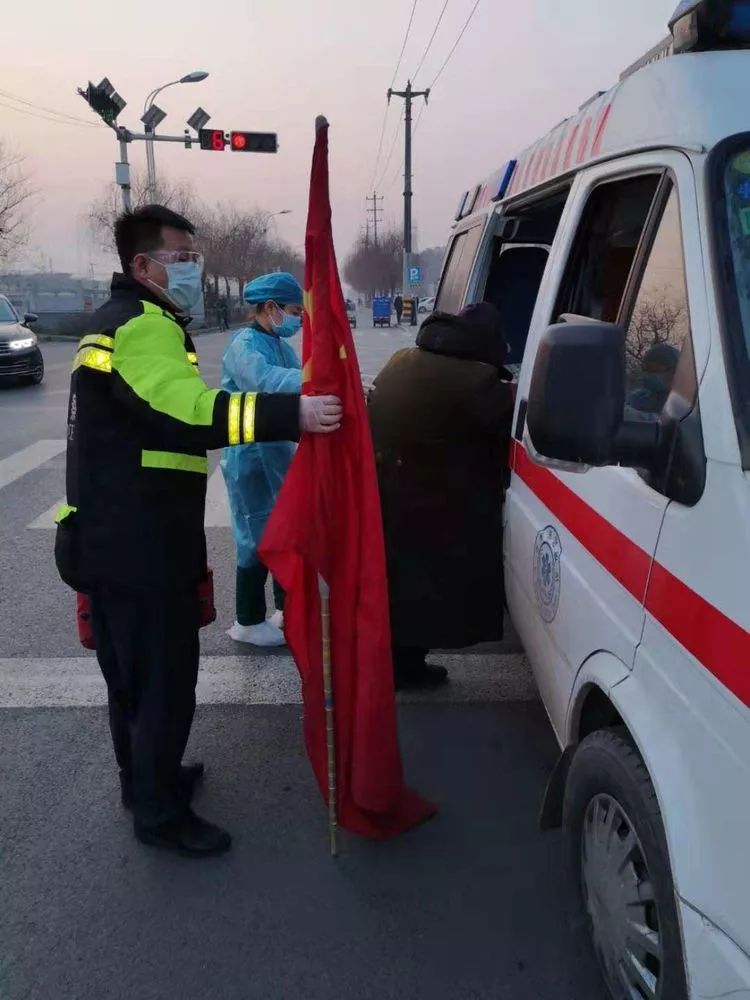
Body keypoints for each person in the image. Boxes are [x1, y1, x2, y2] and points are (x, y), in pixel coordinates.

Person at [56, 205, 342, 857]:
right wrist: (292, 414)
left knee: (132, 679)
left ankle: (145, 782)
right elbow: (187, 414)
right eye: (181, 258)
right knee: (162, 681)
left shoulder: (117, 322)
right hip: (141, 542)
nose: (193, 268)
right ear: (143, 265)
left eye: (194, 257)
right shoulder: (142, 325)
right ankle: (159, 813)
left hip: (113, 533)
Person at [368, 302, 515, 690]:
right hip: (432, 499)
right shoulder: (475, 381)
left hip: (390, 486)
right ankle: (404, 669)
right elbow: (513, 427)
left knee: (401, 583)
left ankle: (399, 663)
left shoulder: (405, 358)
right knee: (425, 588)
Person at [221, 272, 303, 646]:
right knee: (254, 536)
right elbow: (267, 381)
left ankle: (285, 609)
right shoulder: (245, 346)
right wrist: (313, 379)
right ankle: (249, 620)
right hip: (249, 455)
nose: (298, 319)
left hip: (276, 452)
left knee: (284, 531)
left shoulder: (280, 346)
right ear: (270, 308)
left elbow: (298, 378)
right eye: (294, 311)